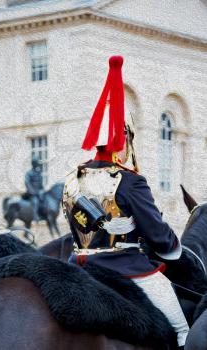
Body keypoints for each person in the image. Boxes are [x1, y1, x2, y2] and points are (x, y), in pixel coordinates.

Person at [63, 56, 189, 348]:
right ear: (124, 141)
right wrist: (171, 247)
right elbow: (158, 236)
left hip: (77, 267)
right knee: (182, 330)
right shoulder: (130, 180)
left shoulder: (72, 178)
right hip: (125, 267)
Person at [25, 156, 44, 221]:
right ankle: (35, 216)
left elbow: (40, 183)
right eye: (36, 163)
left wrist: (42, 190)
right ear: (33, 164)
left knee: (45, 199)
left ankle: (43, 215)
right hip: (31, 192)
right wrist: (32, 191)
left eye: (37, 164)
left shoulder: (38, 172)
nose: (37, 165)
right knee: (35, 201)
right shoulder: (29, 173)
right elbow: (27, 182)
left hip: (39, 191)